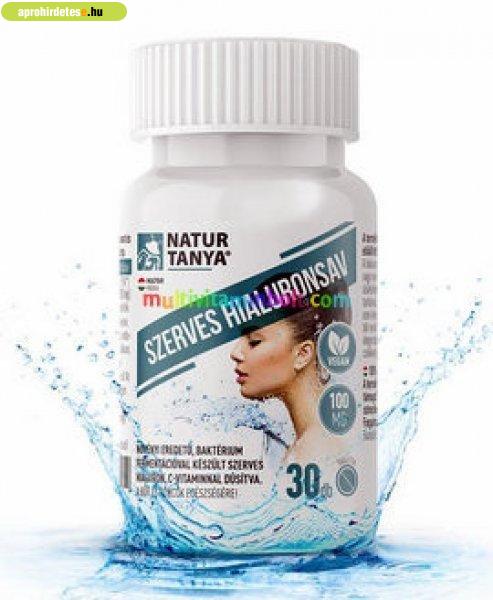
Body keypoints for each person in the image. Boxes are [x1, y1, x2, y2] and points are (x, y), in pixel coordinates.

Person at [230, 279, 351, 464]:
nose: (235, 353)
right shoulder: (319, 438)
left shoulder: (312, 451)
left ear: (303, 354)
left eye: (254, 342)